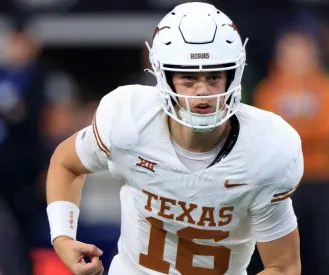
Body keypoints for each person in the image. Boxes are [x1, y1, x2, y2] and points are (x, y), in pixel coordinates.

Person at [46, 3, 303, 275]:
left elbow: (283, 266)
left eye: (214, 76)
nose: (203, 90)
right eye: (189, 78)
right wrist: (63, 238)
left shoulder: (266, 151)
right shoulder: (130, 121)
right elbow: (66, 163)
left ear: (232, 76)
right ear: (165, 78)